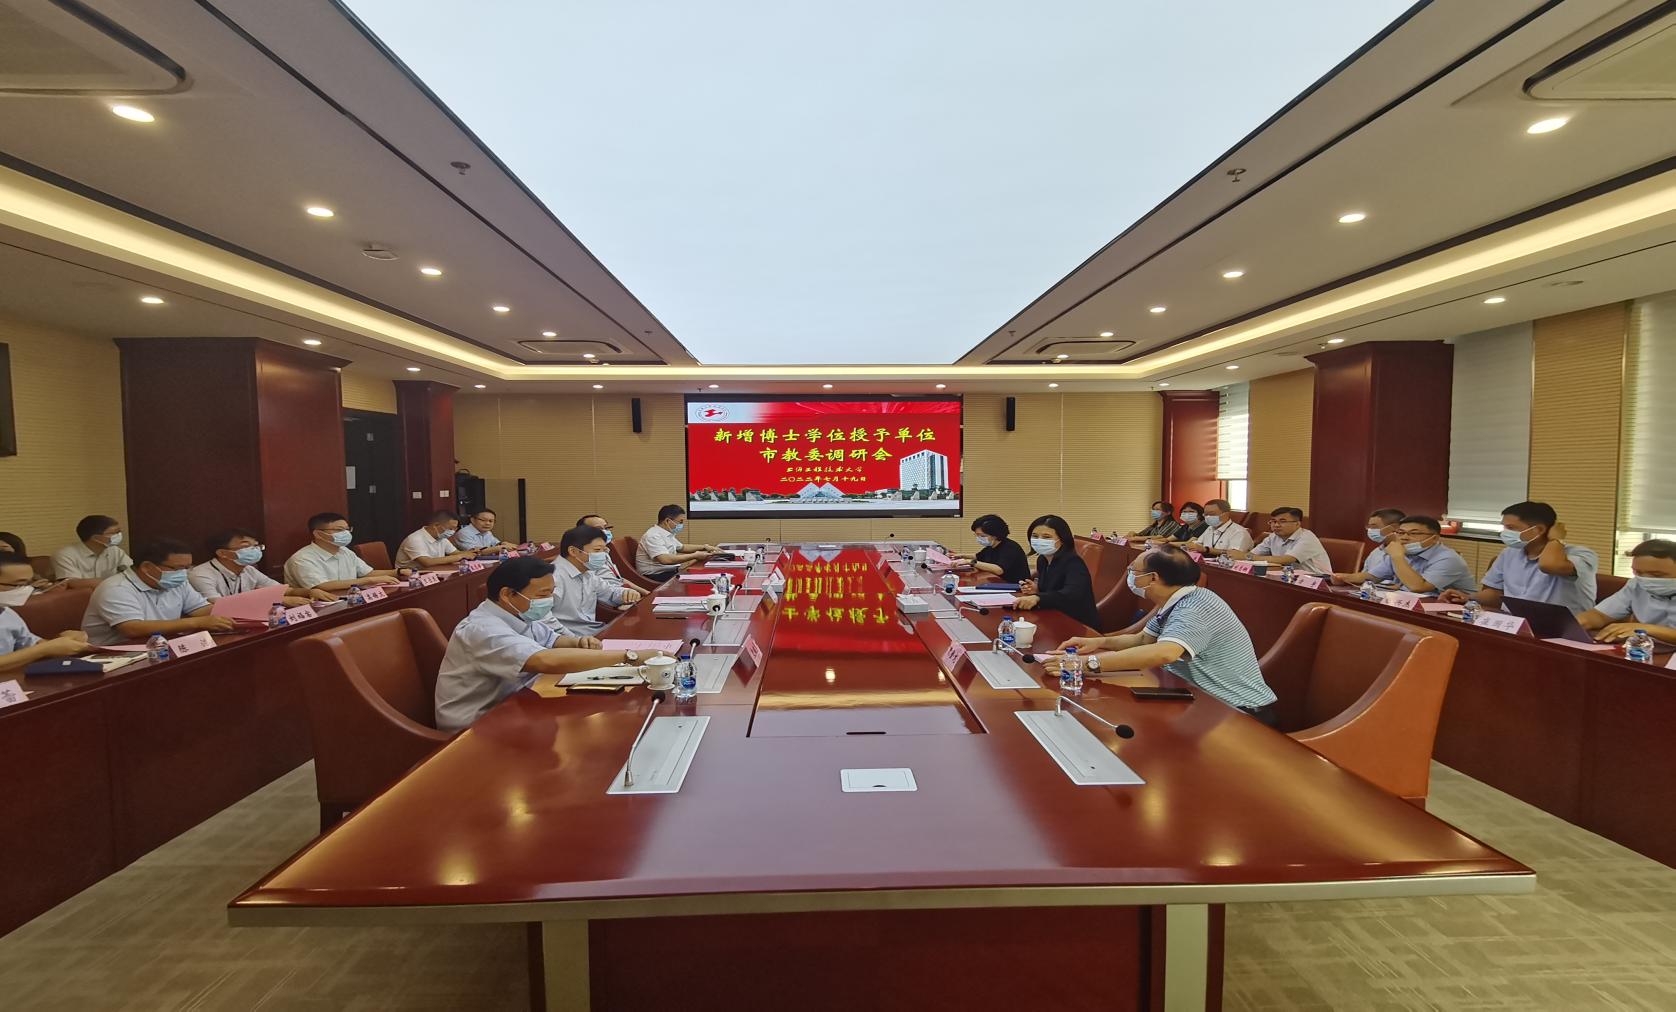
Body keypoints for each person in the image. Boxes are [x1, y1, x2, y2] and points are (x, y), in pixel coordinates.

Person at [1047, 547, 1278, 725]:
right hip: (1199, 699)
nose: (1130, 576)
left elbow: (1165, 653)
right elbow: (1142, 640)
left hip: (1237, 710)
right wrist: (1097, 642)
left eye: (1133, 571)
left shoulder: (1196, 607)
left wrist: (1086, 664)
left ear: (1153, 578)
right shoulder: (1176, 601)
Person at [434, 556, 651, 731]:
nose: (549, 600)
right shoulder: (482, 629)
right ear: (507, 594)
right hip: (475, 724)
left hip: (519, 701)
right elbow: (544, 660)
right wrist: (628, 656)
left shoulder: (518, 613)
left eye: (551, 592)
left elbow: (552, 640)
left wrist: (578, 642)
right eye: (543, 594)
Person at [1439, 501, 1598, 615]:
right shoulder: (1509, 553)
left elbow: (1549, 565)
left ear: (1539, 530)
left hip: (1562, 629)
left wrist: (1556, 539)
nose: (1504, 532)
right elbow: (1496, 594)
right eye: (1504, 527)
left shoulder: (1581, 555)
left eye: (1511, 528)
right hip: (1515, 623)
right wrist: (1468, 597)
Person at [82, 538, 238, 646]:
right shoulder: (116, 588)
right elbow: (132, 628)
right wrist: (197, 622)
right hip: (114, 654)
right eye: (178, 568)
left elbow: (200, 609)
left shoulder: (177, 582)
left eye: (187, 567)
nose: (184, 573)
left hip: (160, 646)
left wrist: (236, 611)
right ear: (147, 567)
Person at [1333, 515, 1476, 596]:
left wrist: (1398, 557)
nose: (1404, 538)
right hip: (1412, 604)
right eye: (1400, 533)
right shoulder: (1404, 551)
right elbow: (1373, 576)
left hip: (1458, 612)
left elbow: (1418, 587)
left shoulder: (1448, 558)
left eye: (1414, 533)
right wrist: (1344, 578)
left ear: (1435, 538)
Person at [0, 551, 93, 672]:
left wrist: (63, 641)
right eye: (19, 585)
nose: (26, 590)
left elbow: (33, 645)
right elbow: (40, 650)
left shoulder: (7, 613)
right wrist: (45, 649)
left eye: (29, 583)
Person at [188, 529, 331, 606]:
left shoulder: (248, 569)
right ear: (222, 553)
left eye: (256, 546)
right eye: (246, 546)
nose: (254, 550)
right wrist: (277, 600)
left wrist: (309, 592)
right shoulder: (201, 574)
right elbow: (217, 605)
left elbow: (283, 590)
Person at [546, 525, 643, 637]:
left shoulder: (587, 572)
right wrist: (573, 640)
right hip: (570, 638)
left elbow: (610, 593)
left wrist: (625, 593)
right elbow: (545, 620)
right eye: (597, 550)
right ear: (573, 551)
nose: (603, 555)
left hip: (594, 631)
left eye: (604, 550)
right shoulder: (553, 577)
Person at [1579, 540, 1676, 645]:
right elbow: (1600, 615)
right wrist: (1574, 624)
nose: (1645, 579)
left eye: (1657, 575)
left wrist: (1646, 629)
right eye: (1638, 572)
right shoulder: (1636, 584)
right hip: (1647, 648)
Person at [283, 513, 409, 591]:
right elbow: (322, 586)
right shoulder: (302, 558)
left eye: (347, 529)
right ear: (318, 534)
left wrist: (398, 572)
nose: (346, 533)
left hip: (348, 600)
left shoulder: (345, 551)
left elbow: (368, 573)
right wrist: (369, 581)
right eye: (339, 530)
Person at [1014, 514, 1099, 629]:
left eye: (1046, 537)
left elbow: (1071, 595)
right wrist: (1037, 590)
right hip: (1052, 616)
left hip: (1077, 623)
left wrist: (1038, 598)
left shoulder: (1073, 562)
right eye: (1035, 536)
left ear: (1062, 540)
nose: (1039, 540)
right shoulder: (1042, 560)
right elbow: (1053, 590)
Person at [1230, 506, 1332, 574]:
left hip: (1317, 580)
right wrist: (1243, 556)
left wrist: (1247, 557)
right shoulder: (1273, 536)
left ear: (1297, 524)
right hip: (1288, 577)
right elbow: (1253, 554)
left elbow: (1286, 559)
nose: (1276, 525)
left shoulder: (1307, 537)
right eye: (1273, 521)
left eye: (1282, 521)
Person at [51, 514, 134, 588]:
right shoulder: (65, 555)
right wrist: (116, 582)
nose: (118, 535)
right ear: (95, 538)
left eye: (119, 531)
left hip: (113, 593)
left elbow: (132, 573)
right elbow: (73, 583)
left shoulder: (115, 550)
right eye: (113, 533)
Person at [636, 505, 717, 578]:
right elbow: (665, 560)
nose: (681, 525)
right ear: (667, 521)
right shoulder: (653, 535)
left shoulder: (666, 533)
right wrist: (694, 556)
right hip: (656, 576)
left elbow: (682, 547)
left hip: (669, 572)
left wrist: (704, 547)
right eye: (680, 522)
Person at [950, 514, 1029, 582]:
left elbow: (999, 570)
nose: (978, 538)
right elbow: (978, 556)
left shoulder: (1010, 547)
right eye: (976, 535)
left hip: (1015, 586)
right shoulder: (992, 546)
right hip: (997, 582)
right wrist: (960, 555)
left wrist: (970, 562)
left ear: (995, 535)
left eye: (982, 535)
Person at [397, 510, 480, 568]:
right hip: (411, 577)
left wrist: (471, 552)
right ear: (436, 525)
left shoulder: (442, 538)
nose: (453, 532)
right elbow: (427, 562)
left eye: (455, 529)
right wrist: (460, 556)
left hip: (435, 572)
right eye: (450, 529)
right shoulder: (415, 539)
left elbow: (455, 553)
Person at [1186, 499, 1253, 557]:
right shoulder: (1210, 528)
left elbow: (1234, 554)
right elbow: (1198, 544)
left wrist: (1206, 550)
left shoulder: (1239, 532)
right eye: (1206, 514)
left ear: (1226, 514)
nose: (1208, 517)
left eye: (1212, 514)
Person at [576, 514, 628, 588]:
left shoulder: (605, 551)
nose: (604, 532)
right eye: (598, 529)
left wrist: (644, 591)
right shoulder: (584, 556)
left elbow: (618, 579)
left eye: (606, 528)